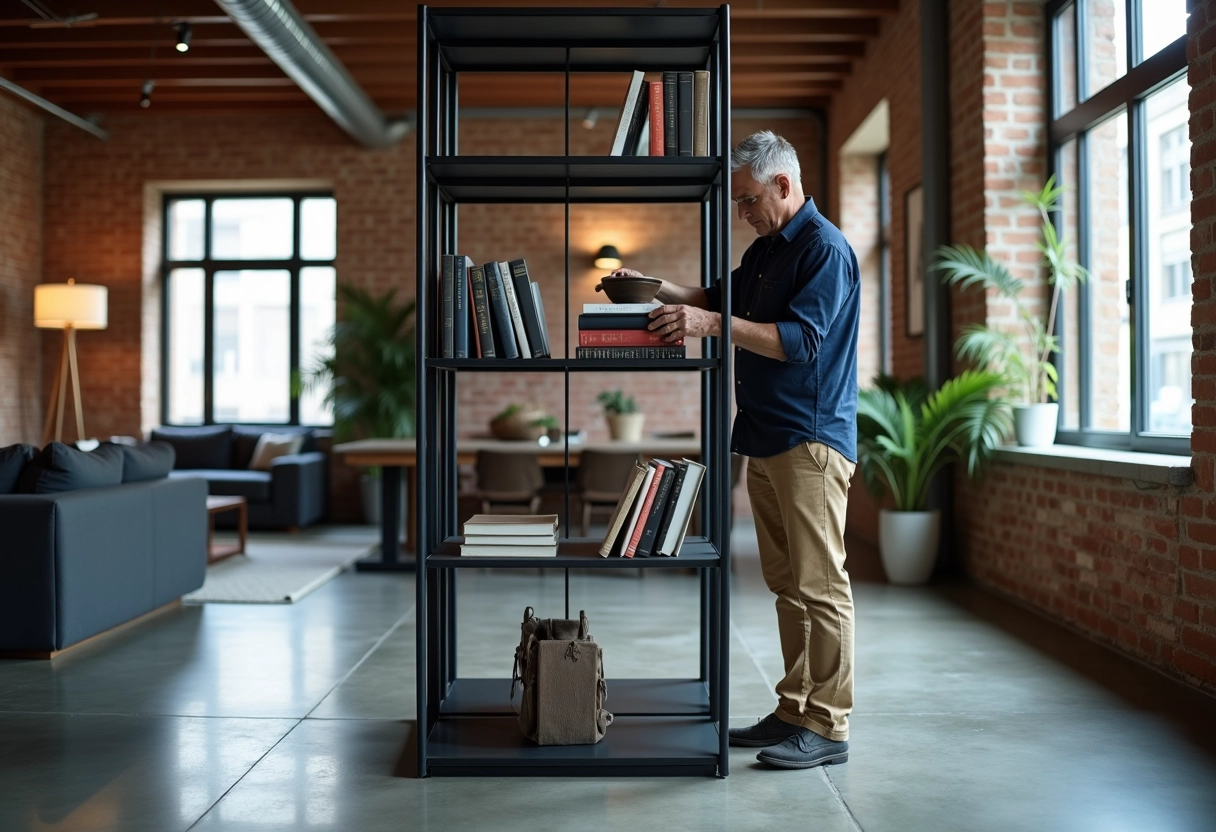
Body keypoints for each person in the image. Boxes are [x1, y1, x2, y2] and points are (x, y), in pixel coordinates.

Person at [610, 131, 860, 770]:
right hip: (764, 439)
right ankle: (794, 708)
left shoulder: (825, 250)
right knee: (786, 586)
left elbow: (798, 342)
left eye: (749, 200)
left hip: (810, 442)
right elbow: (715, 301)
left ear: (782, 184)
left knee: (821, 586)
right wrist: (655, 287)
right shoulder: (765, 251)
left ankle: (828, 726)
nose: (742, 214)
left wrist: (713, 326)